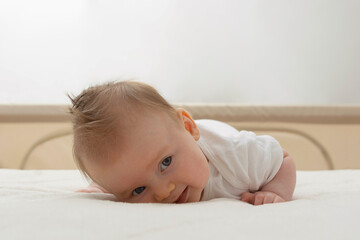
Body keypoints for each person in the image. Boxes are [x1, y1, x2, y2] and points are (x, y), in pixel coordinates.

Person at [68, 81, 296, 205]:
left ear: (188, 127)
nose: (163, 192)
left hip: (216, 134)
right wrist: (101, 187)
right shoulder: (133, 168)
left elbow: (284, 159)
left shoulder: (238, 156)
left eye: (165, 163)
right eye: (139, 190)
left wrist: (275, 190)